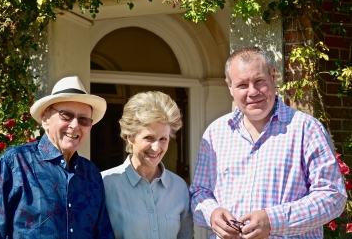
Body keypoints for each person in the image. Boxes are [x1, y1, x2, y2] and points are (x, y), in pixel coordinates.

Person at [190, 46, 347, 239]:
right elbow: (199, 192)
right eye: (242, 85)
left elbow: (333, 196)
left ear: (273, 77)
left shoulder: (306, 129)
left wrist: (273, 221)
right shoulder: (215, 133)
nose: (252, 92)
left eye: (259, 81)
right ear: (229, 86)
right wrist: (211, 213)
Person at [0, 76, 114, 238]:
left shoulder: (91, 175)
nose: (75, 125)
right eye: (66, 115)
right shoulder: (16, 163)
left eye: (83, 119)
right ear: (45, 118)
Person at [101, 91, 194, 239]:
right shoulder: (104, 184)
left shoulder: (179, 187)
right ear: (129, 137)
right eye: (149, 138)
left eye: (163, 138)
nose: (156, 148)